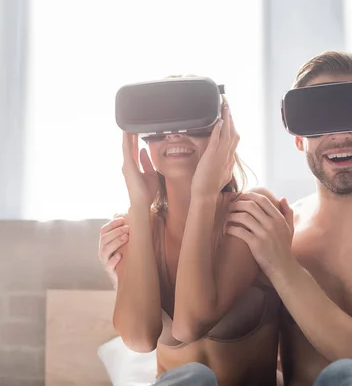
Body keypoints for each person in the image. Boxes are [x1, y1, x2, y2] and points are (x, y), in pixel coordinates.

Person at [105, 52, 352, 386]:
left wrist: (282, 264)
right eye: (318, 119)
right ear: (299, 139)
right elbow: (158, 337)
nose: (340, 134)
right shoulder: (277, 226)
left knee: (343, 377)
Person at [98, 87, 283, 386]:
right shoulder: (134, 227)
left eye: (192, 123)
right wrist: (140, 208)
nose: (173, 135)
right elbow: (139, 338)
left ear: (222, 131)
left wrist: (204, 196)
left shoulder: (252, 211)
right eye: (159, 127)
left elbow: (189, 324)